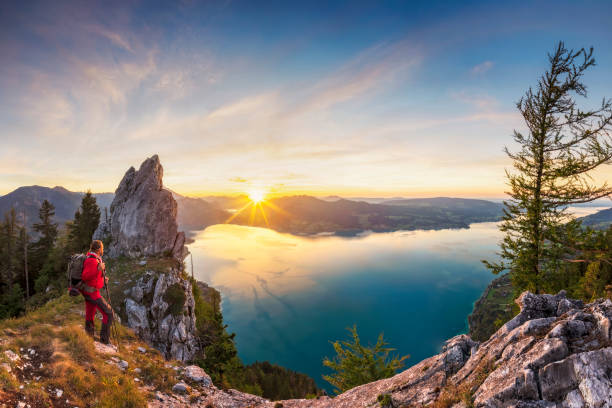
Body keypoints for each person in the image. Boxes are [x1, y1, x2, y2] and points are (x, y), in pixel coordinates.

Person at [81, 240, 114, 344]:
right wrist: (98, 269)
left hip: (89, 292)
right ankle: (104, 340)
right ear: (99, 249)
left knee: (90, 314)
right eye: (102, 248)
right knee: (108, 313)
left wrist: (103, 279)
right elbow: (85, 276)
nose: (103, 249)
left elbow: (92, 276)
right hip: (92, 293)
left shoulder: (95, 259)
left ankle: (89, 336)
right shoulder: (92, 260)